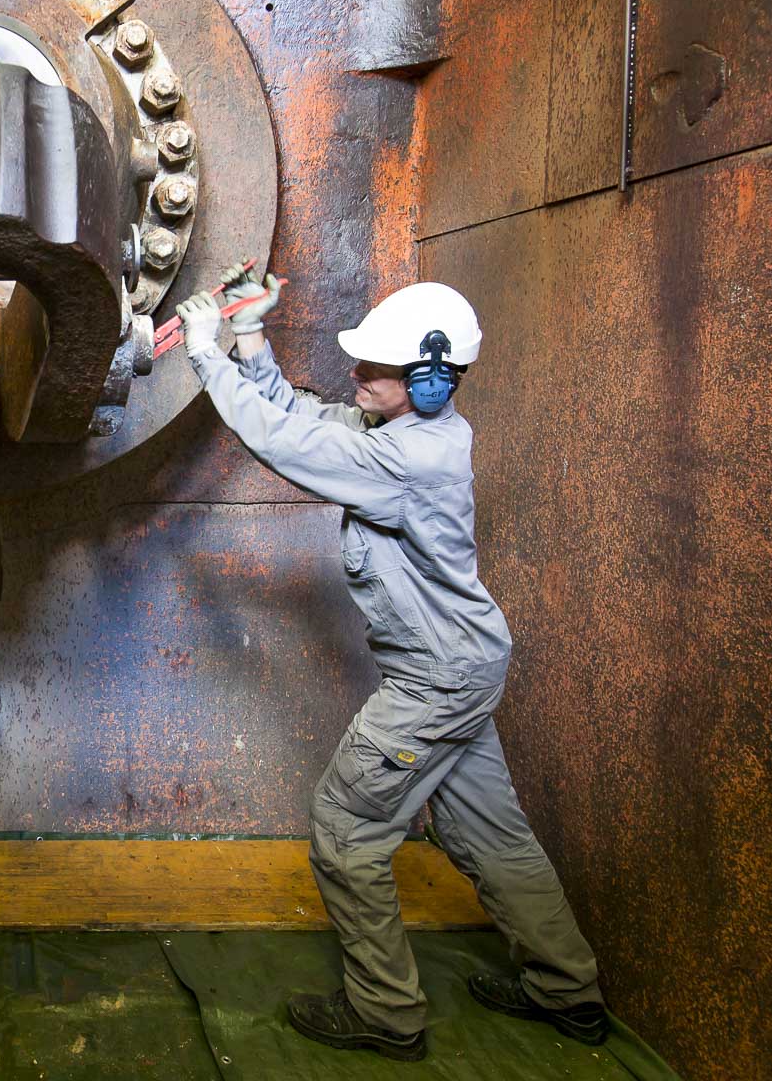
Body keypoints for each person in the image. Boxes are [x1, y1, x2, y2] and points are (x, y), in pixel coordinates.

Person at [174, 264, 607, 1063]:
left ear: (432, 381)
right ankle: (566, 990)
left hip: (435, 678)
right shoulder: (410, 431)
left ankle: (386, 1013)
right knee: (490, 834)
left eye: (376, 367)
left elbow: (280, 441)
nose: (358, 374)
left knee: (347, 828)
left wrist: (203, 355)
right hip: (466, 664)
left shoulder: (409, 461)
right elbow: (301, 413)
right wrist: (246, 336)